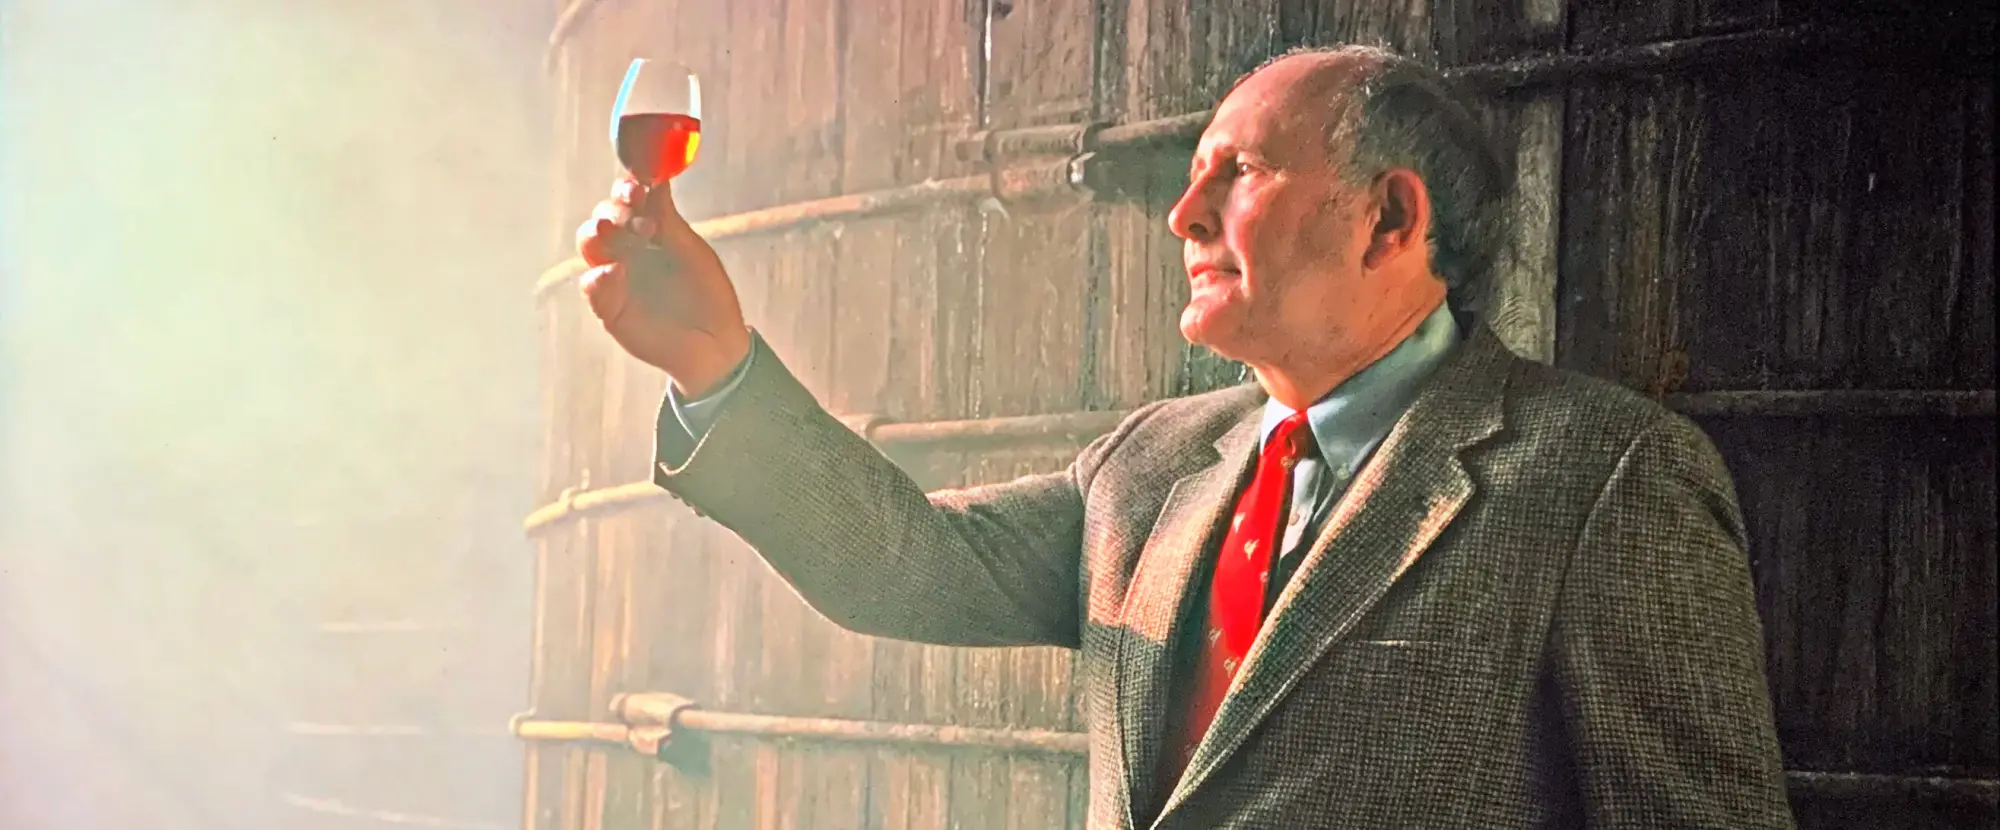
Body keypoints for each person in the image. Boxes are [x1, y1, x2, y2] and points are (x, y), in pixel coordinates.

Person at [573, 44, 1795, 830]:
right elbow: (900, 565)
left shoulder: (1601, 477)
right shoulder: (1153, 460)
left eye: (1237, 172)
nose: (1181, 213)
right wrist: (714, 363)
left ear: (1387, 218)